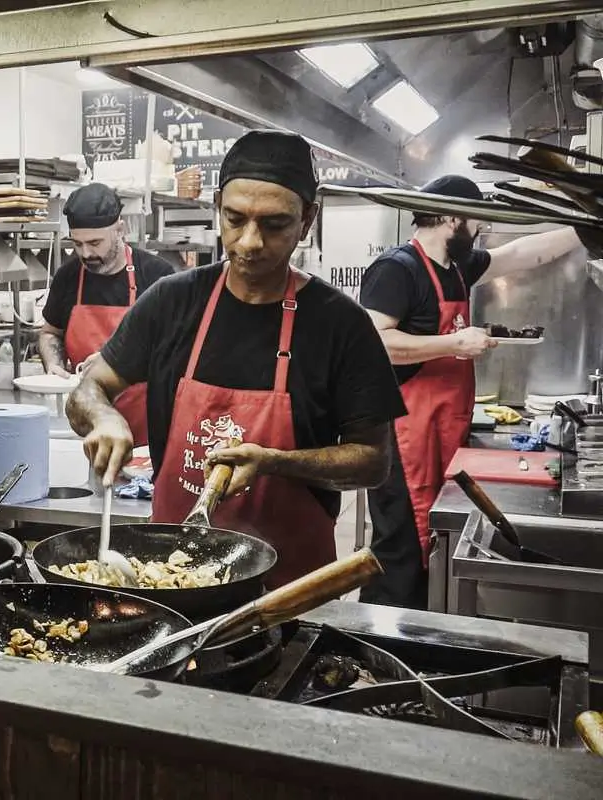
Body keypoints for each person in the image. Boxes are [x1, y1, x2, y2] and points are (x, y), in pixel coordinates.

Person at [66, 130, 407, 588]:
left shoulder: (340, 324)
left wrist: (274, 461)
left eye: (274, 224)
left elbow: (373, 460)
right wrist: (103, 418)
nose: (249, 242)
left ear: (308, 219)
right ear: (216, 208)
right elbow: (90, 388)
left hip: (287, 588)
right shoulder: (172, 301)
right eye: (235, 218)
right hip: (171, 577)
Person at [358, 175, 584, 608]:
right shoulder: (397, 269)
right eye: (476, 219)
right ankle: (378, 646)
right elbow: (375, 344)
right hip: (403, 434)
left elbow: (521, 254)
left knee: (438, 538)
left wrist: (583, 227)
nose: (479, 228)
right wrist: (454, 344)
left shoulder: (457, 267)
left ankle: (429, 631)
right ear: (449, 217)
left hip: (446, 426)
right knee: (401, 547)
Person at [39, 183, 174, 446]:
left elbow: (177, 351)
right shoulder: (68, 277)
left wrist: (118, 360)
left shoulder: (158, 276)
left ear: (120, 230)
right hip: (86, 428)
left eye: (94, 243)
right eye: (77, 244)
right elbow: (50, 332)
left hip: (148, 434)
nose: (86, 254)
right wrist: (53, 364)